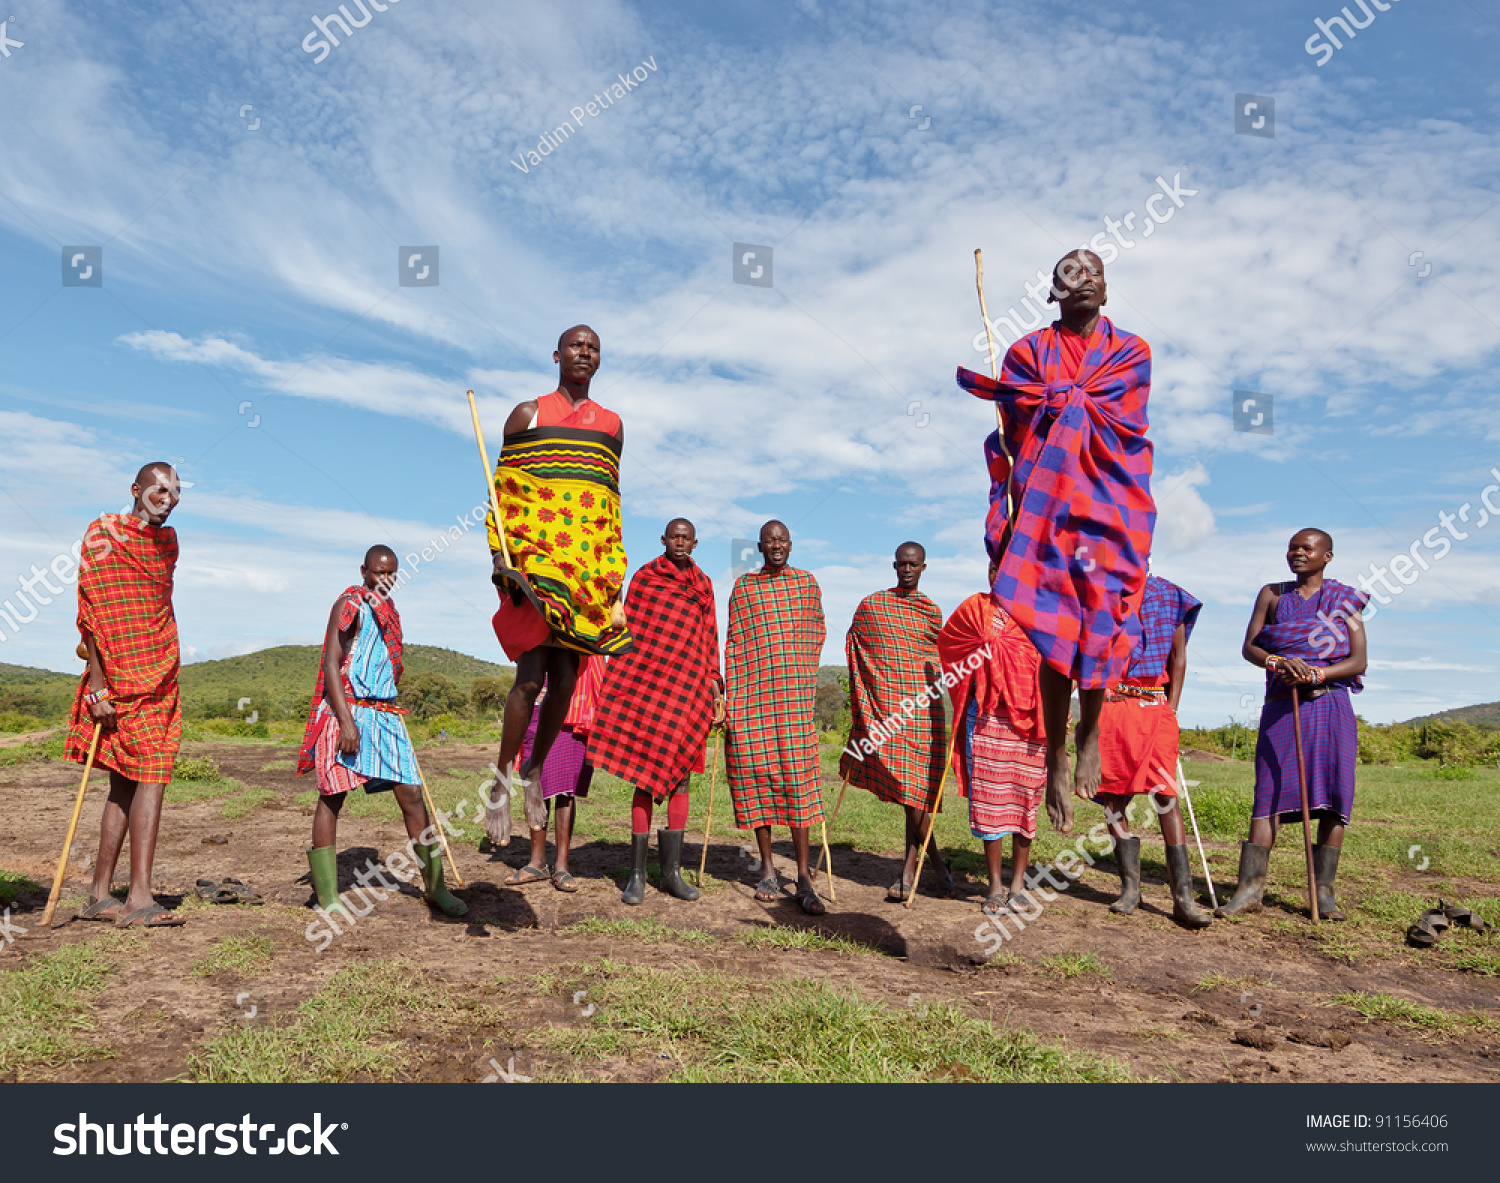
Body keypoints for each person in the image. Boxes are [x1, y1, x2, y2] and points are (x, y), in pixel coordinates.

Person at [957, 249, 1155, 834]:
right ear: (1055, 293)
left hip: (1110, 504)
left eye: (1094, 274)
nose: (1085, 282)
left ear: (1106, 287)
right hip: (1050, 508)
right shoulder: (1027, 354)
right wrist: (1025, 406)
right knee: (1053, 627)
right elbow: (1012, 428)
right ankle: (1060, 751)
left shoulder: (1131, 351)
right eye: (1072, 277)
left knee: (1104, 615)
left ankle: (1088, 731)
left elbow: (1127, 423)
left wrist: (1064, 402)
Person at [480, 325, 632, 844]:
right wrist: (500, 556)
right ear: (556, 355)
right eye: (575, 345)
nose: (584, 353)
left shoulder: (611, 426)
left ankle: (534, 769)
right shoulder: (528, 414)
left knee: (567, 677)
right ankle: (502, 776)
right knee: (531, 675)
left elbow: (609, 501)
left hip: (586, 568)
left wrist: (613, 579)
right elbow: (503, 495)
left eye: (593, 347)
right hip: (536, 562)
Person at [296, 547, 466, 918]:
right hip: (350, 710)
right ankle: (327, 896)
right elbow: (331, 662)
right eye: (378, 572)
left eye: (391, 573)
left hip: (385, 714)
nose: (385, 579)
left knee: (412, 795)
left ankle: (435, 889)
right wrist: (346, 721)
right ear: (364, 570)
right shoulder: (348, 605)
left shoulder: (389, 611)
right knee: (333, 796)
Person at [1218, 529, 1368, 920]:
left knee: (1335, 798)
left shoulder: (1344, 600)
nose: (1298, 554)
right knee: (1266, 794)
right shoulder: (1272, 594)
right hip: (1282, 705)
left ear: (1328, 556)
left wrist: (1317, 674)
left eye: (1307, 548)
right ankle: (1249, 890)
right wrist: (1278, 662)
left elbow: (1358, 662)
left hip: (1330, 705)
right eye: (1293, 548)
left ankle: (1325, 893)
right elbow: (1251, 647)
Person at [68, 464, 188, 928]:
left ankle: (100, 896)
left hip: (160, 675)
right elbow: (91, 610)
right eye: (160, 489)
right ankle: (139, 898)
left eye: (176, 492)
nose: (169, 498)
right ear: (137, 491)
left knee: (124, 782)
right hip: (116, 681)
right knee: (150, 778)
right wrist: (97, 683)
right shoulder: (103, 533)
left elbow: (156, 605)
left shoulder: (168, 543)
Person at [587, 519, 724, 905]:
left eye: (686, 537)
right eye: (673, 536)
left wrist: (713, 681)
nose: (680, 542)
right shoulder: (646, 579)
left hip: (688, 690)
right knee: (646, 778)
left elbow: (708, 634)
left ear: (695, 543)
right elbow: (633, 635)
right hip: (652, 690)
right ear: (663, 540)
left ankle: (673, 873)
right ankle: (636, 875)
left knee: (681, 779)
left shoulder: (704, 585)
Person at [1095, 571, 1212, 928]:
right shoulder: (1101, 591)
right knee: (1114, 798)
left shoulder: (1169, 595)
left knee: (1166, 797)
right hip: (1112, 705)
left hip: (1155, 705)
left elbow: (1178, 656)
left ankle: (1183, 898)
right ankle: (1131, 889)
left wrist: (1171, 709)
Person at [725, 520, 828, 915]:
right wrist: (733, 698)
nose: (777, 545)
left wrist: (799, 677)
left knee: (798, 783)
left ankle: (803, 878)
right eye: (770, 541)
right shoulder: (745, 588)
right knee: (758, 780)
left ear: (791, 544)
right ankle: (767, 869)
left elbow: (815, 633)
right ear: (760, 546)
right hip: (753, 700)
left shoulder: (806, 584)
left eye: (782, 539)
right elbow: (735, 642)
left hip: (793, 700)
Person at [840, 541, 951, 900]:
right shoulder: (873, 607)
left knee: (917, 794)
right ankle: (935, 864)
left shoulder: (931, 612)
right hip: (890, 712)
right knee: (908, 791)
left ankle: (909, 870)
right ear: (894, 566)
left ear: (923, 568)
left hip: (923, 713)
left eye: (913, 565)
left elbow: (942, 658)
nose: (907, 569)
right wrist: (867, 699)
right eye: (902, 564)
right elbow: (857, 644)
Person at [938, 559, 1048, 919]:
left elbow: (1060, 663)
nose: (998, 577)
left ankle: (1018, 884)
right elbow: (950, 645)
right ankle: (995, 887)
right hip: (986, 719)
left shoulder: (1040, 615)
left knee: (1023, 800)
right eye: (993, 570)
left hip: (1032, 721)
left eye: (1007, 571)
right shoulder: (975, 608)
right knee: (991, 802)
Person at [502, 655, 603, 892]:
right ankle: (536, 862)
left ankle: (561, 865)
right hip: (536, 704)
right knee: (535, 780)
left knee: (565, 787)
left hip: (573, 702)